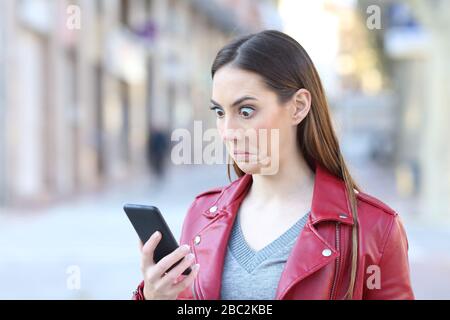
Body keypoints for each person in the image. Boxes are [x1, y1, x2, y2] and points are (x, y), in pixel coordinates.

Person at [132, 30, 414, 300]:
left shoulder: (375, 228)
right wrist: (154, 297)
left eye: (246, 111)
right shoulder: (202, 215)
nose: (228, 131)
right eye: (219, 112)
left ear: (299, 106)